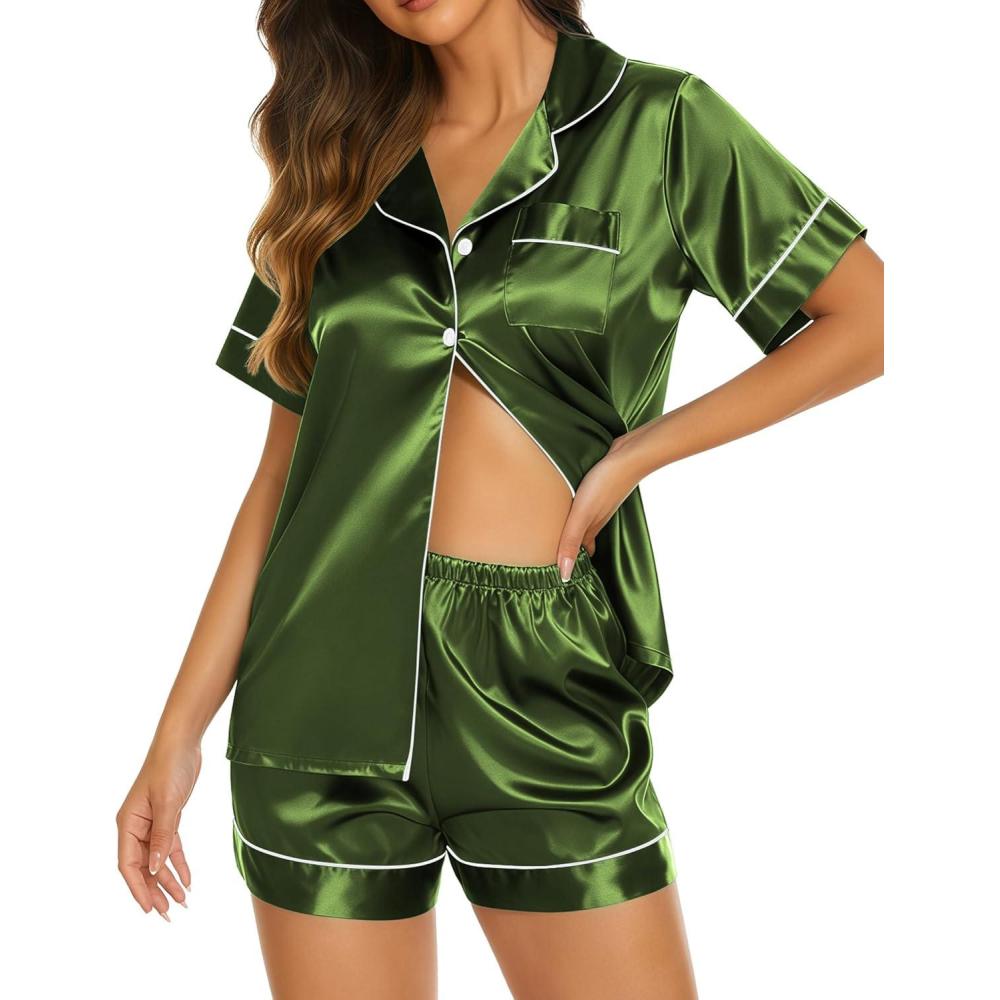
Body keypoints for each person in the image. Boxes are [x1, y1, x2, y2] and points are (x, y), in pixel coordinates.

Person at [116, 1, 884, 996]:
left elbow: (868, 316)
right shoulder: (341, 158)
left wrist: (637, 454)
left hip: (540, 680)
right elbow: (281, 480)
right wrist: (177, 734)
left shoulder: (659, 123)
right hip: (316, 687)